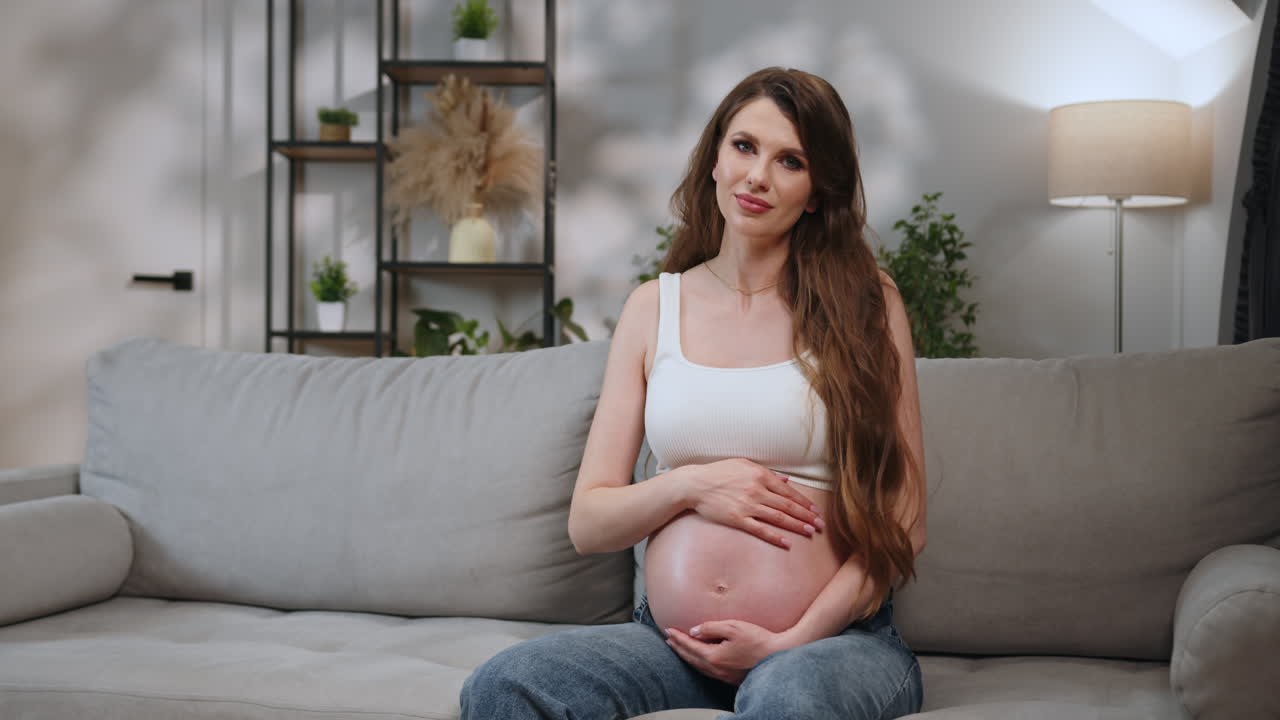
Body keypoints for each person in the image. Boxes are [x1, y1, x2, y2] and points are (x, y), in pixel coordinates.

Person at [460, 66, 928, 720]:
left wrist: (789, 641)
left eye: (789, 160)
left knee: (783, 696)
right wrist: (692, 485)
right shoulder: (654, 307)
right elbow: (589, 522)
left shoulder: (866, 304)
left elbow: (906, 517)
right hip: (671, 645)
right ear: (714, 158)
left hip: (832, 645)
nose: (758, 175)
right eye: (744, 147)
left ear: (817, 191)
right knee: (503, 687)